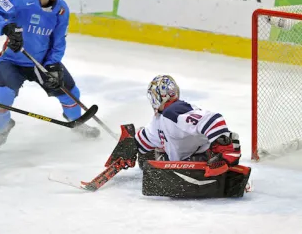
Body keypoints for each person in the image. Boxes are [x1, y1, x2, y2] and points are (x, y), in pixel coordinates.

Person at [0, 0, 99, 152]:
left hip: (43, 62)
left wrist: (52, 64)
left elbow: (59, 41)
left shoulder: (61, 9)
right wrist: (5, 27)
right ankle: (2, 131)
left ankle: (76, 121)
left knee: (71, 94)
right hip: (12, 61)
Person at [106, 75, 251, 198]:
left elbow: (213, 119)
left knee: (156, 162)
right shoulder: (158, 120)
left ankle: (224, 147)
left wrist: (225, 148)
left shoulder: (174, 111)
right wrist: (128, 150)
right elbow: (142, 140)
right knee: (146, 160)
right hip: (185, 157)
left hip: (205, 156)